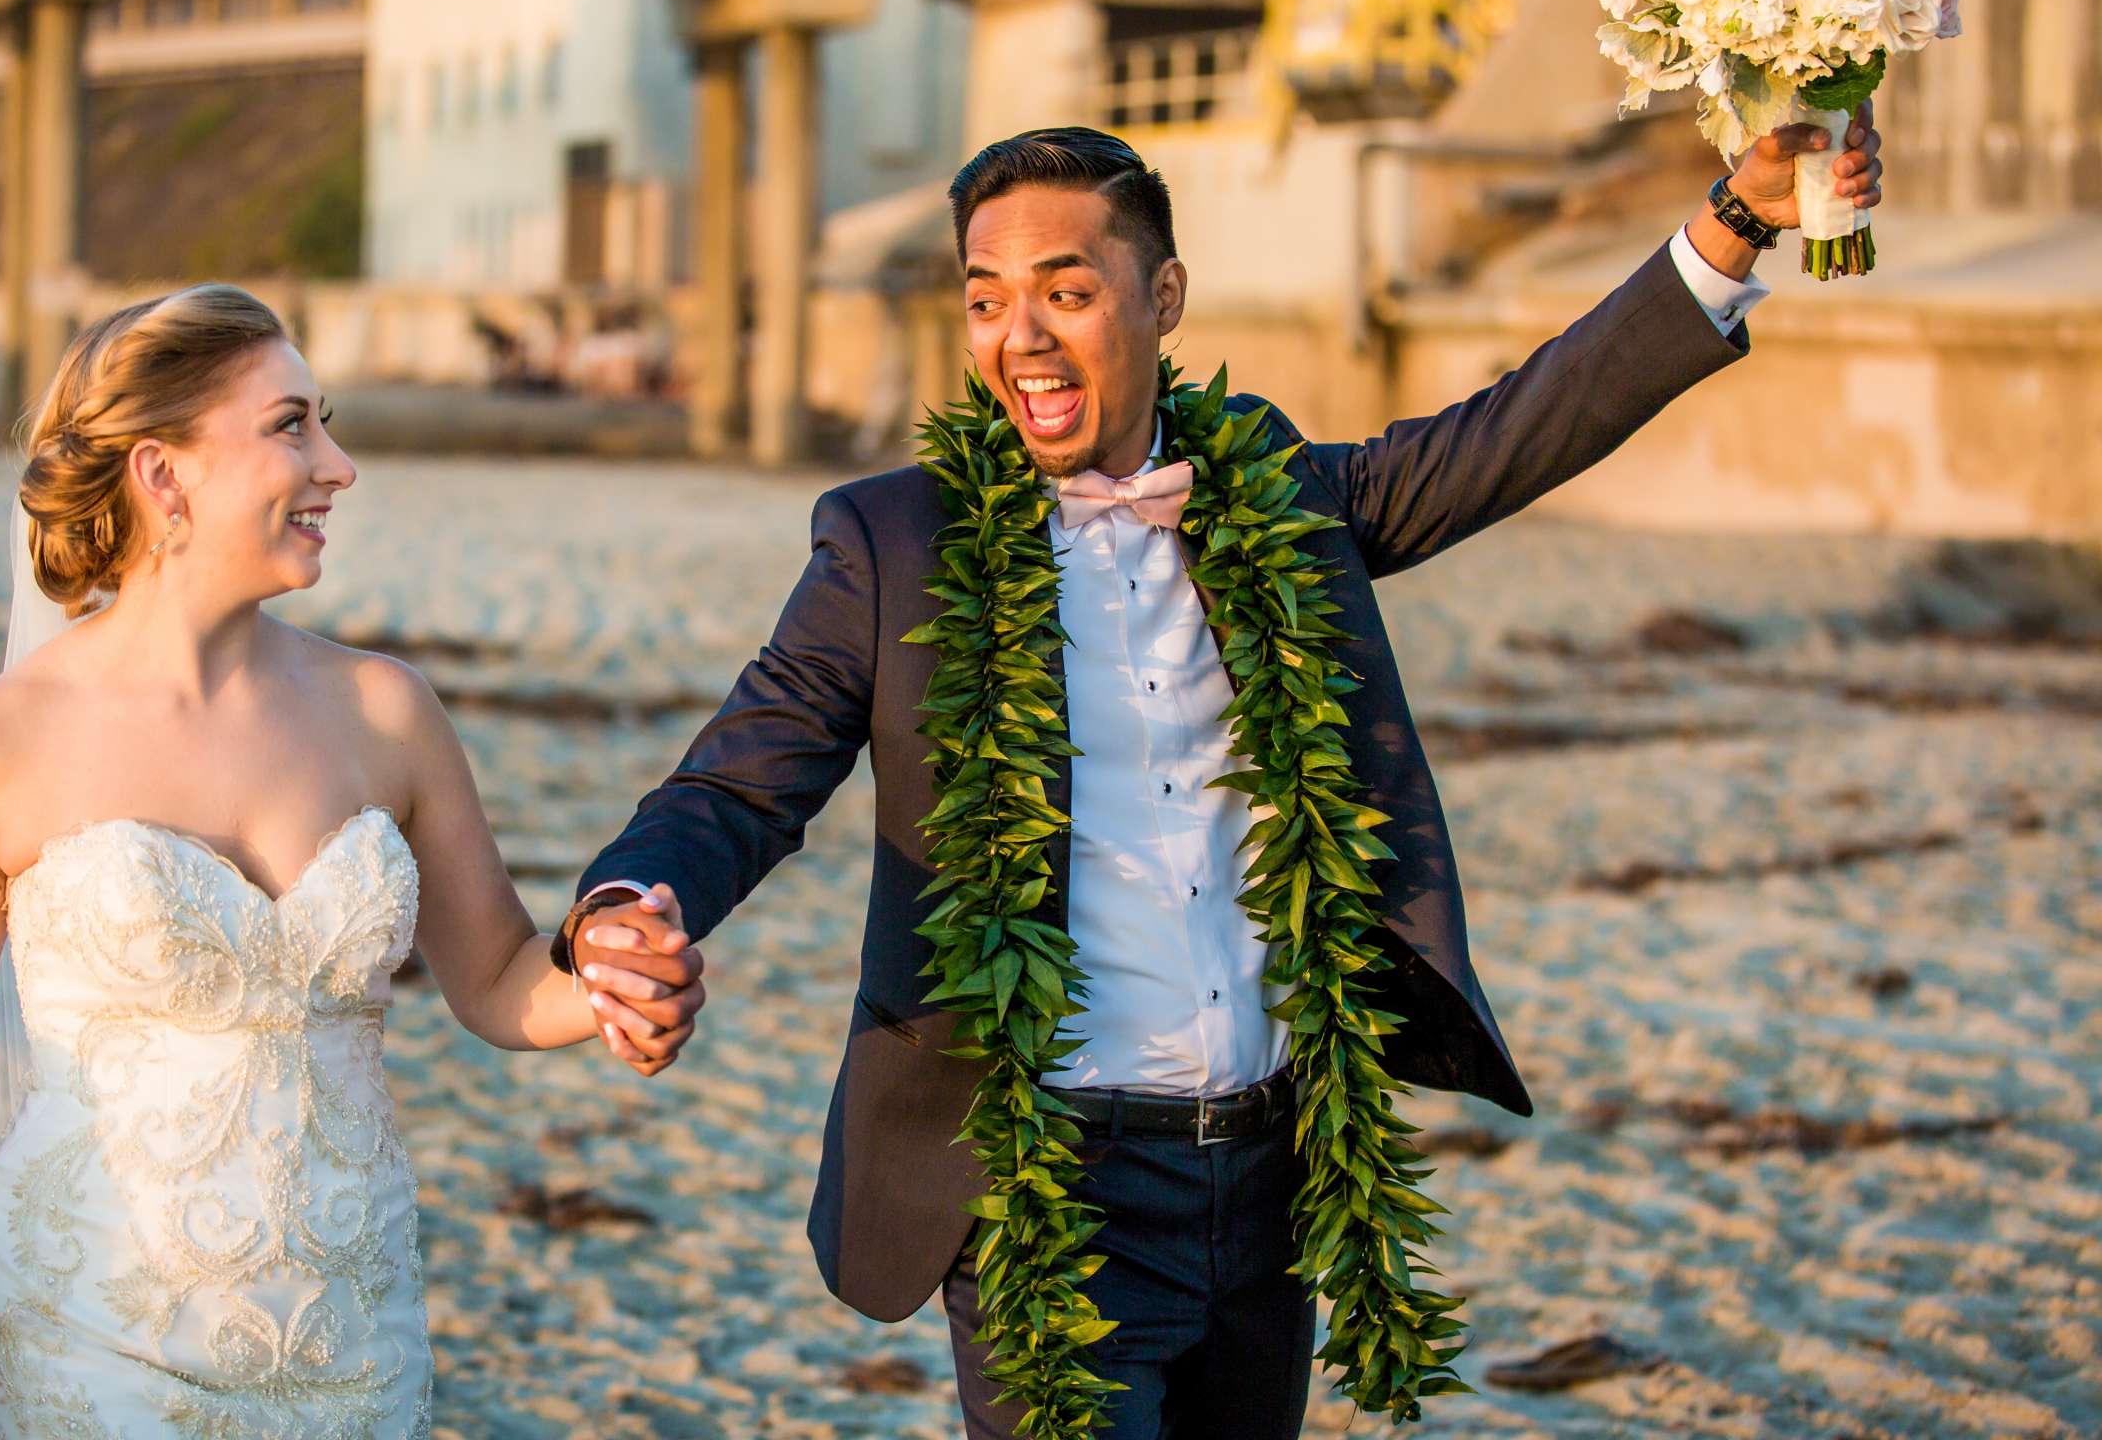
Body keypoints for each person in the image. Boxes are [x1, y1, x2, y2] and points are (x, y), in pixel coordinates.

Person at [562, 116, 1885, 1437]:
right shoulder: (893, 541)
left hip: (1272, 1181)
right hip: (1044, 1190)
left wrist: (1736, 226)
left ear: (1164, 297)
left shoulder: (1280, 493)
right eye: (986, 299)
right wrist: (634, 897)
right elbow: (742, 776)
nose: (1020, 337)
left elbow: (1512, 434)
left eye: (1068, 293)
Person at [0, 284, 706, 1437]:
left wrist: (613, 985)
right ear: (162, 475)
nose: (339, 465)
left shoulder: (387, 712)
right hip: (87, 1343)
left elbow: (496, 976)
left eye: (324, 422)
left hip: (353, 1347)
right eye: (291, 425)